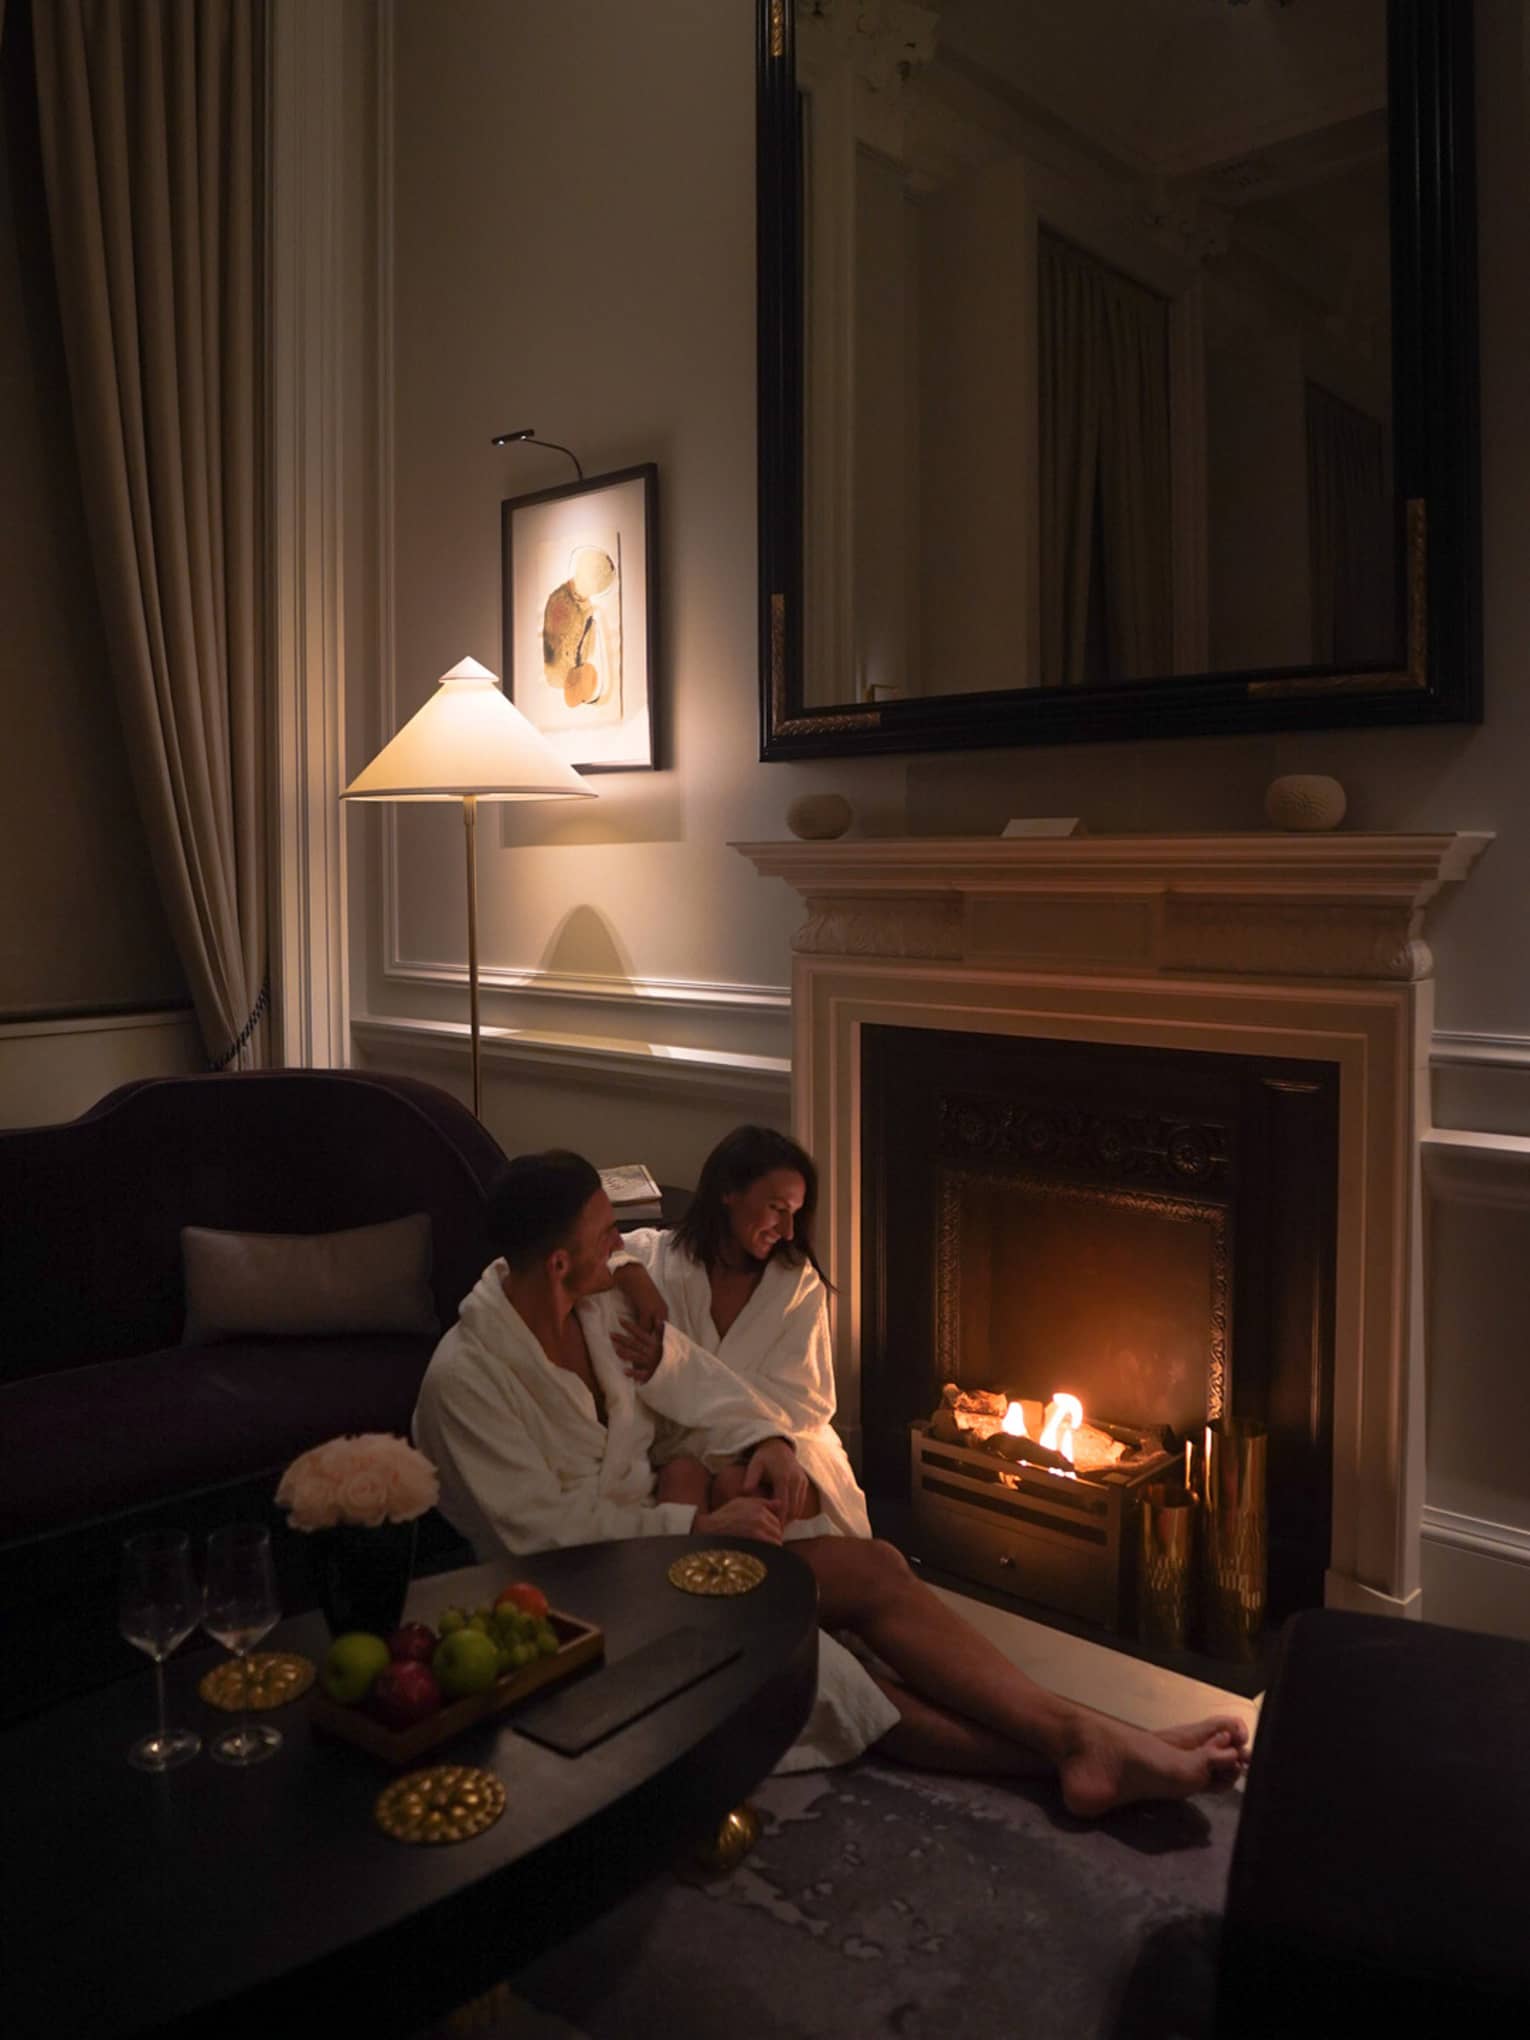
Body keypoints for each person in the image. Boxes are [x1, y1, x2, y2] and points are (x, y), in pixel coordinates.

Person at [413, 1150, 1248, 1815]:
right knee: (823, 1665)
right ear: (560, 1263)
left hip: (665, 1546)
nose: (624, 1247)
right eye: (606, 1238)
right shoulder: (469, 1380)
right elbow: (544, 1544)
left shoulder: (599, 1310)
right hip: (586, 1602)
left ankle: (1087, 1737)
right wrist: (693, 1523)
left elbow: (699, 1384)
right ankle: (1082, 1746)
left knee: (879, 1567)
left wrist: (769, 1439)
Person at [600, 1126, 867, 1539]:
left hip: (778, 1442)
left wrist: (756, 1436)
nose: (788, 1231)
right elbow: (589, 1247)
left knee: (736, 1485)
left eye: (795, 1213)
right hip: (684, 1449)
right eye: (776, 1208)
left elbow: (805, 1403)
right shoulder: (661, 1262)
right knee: (682, 1478)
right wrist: (629, 1272)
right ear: (728, 1191)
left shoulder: (796, 1285)